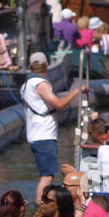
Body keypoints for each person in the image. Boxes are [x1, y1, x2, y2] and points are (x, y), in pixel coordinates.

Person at [24, 52, 84, 196]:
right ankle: (40, 205)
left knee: (47, 173)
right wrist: (77, 91)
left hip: (36, 133)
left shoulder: (28, 83)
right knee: (47, 175)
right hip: (43, 134)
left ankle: (41, 204)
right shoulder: (40, 84)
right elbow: (59, 104)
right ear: (46, 66)